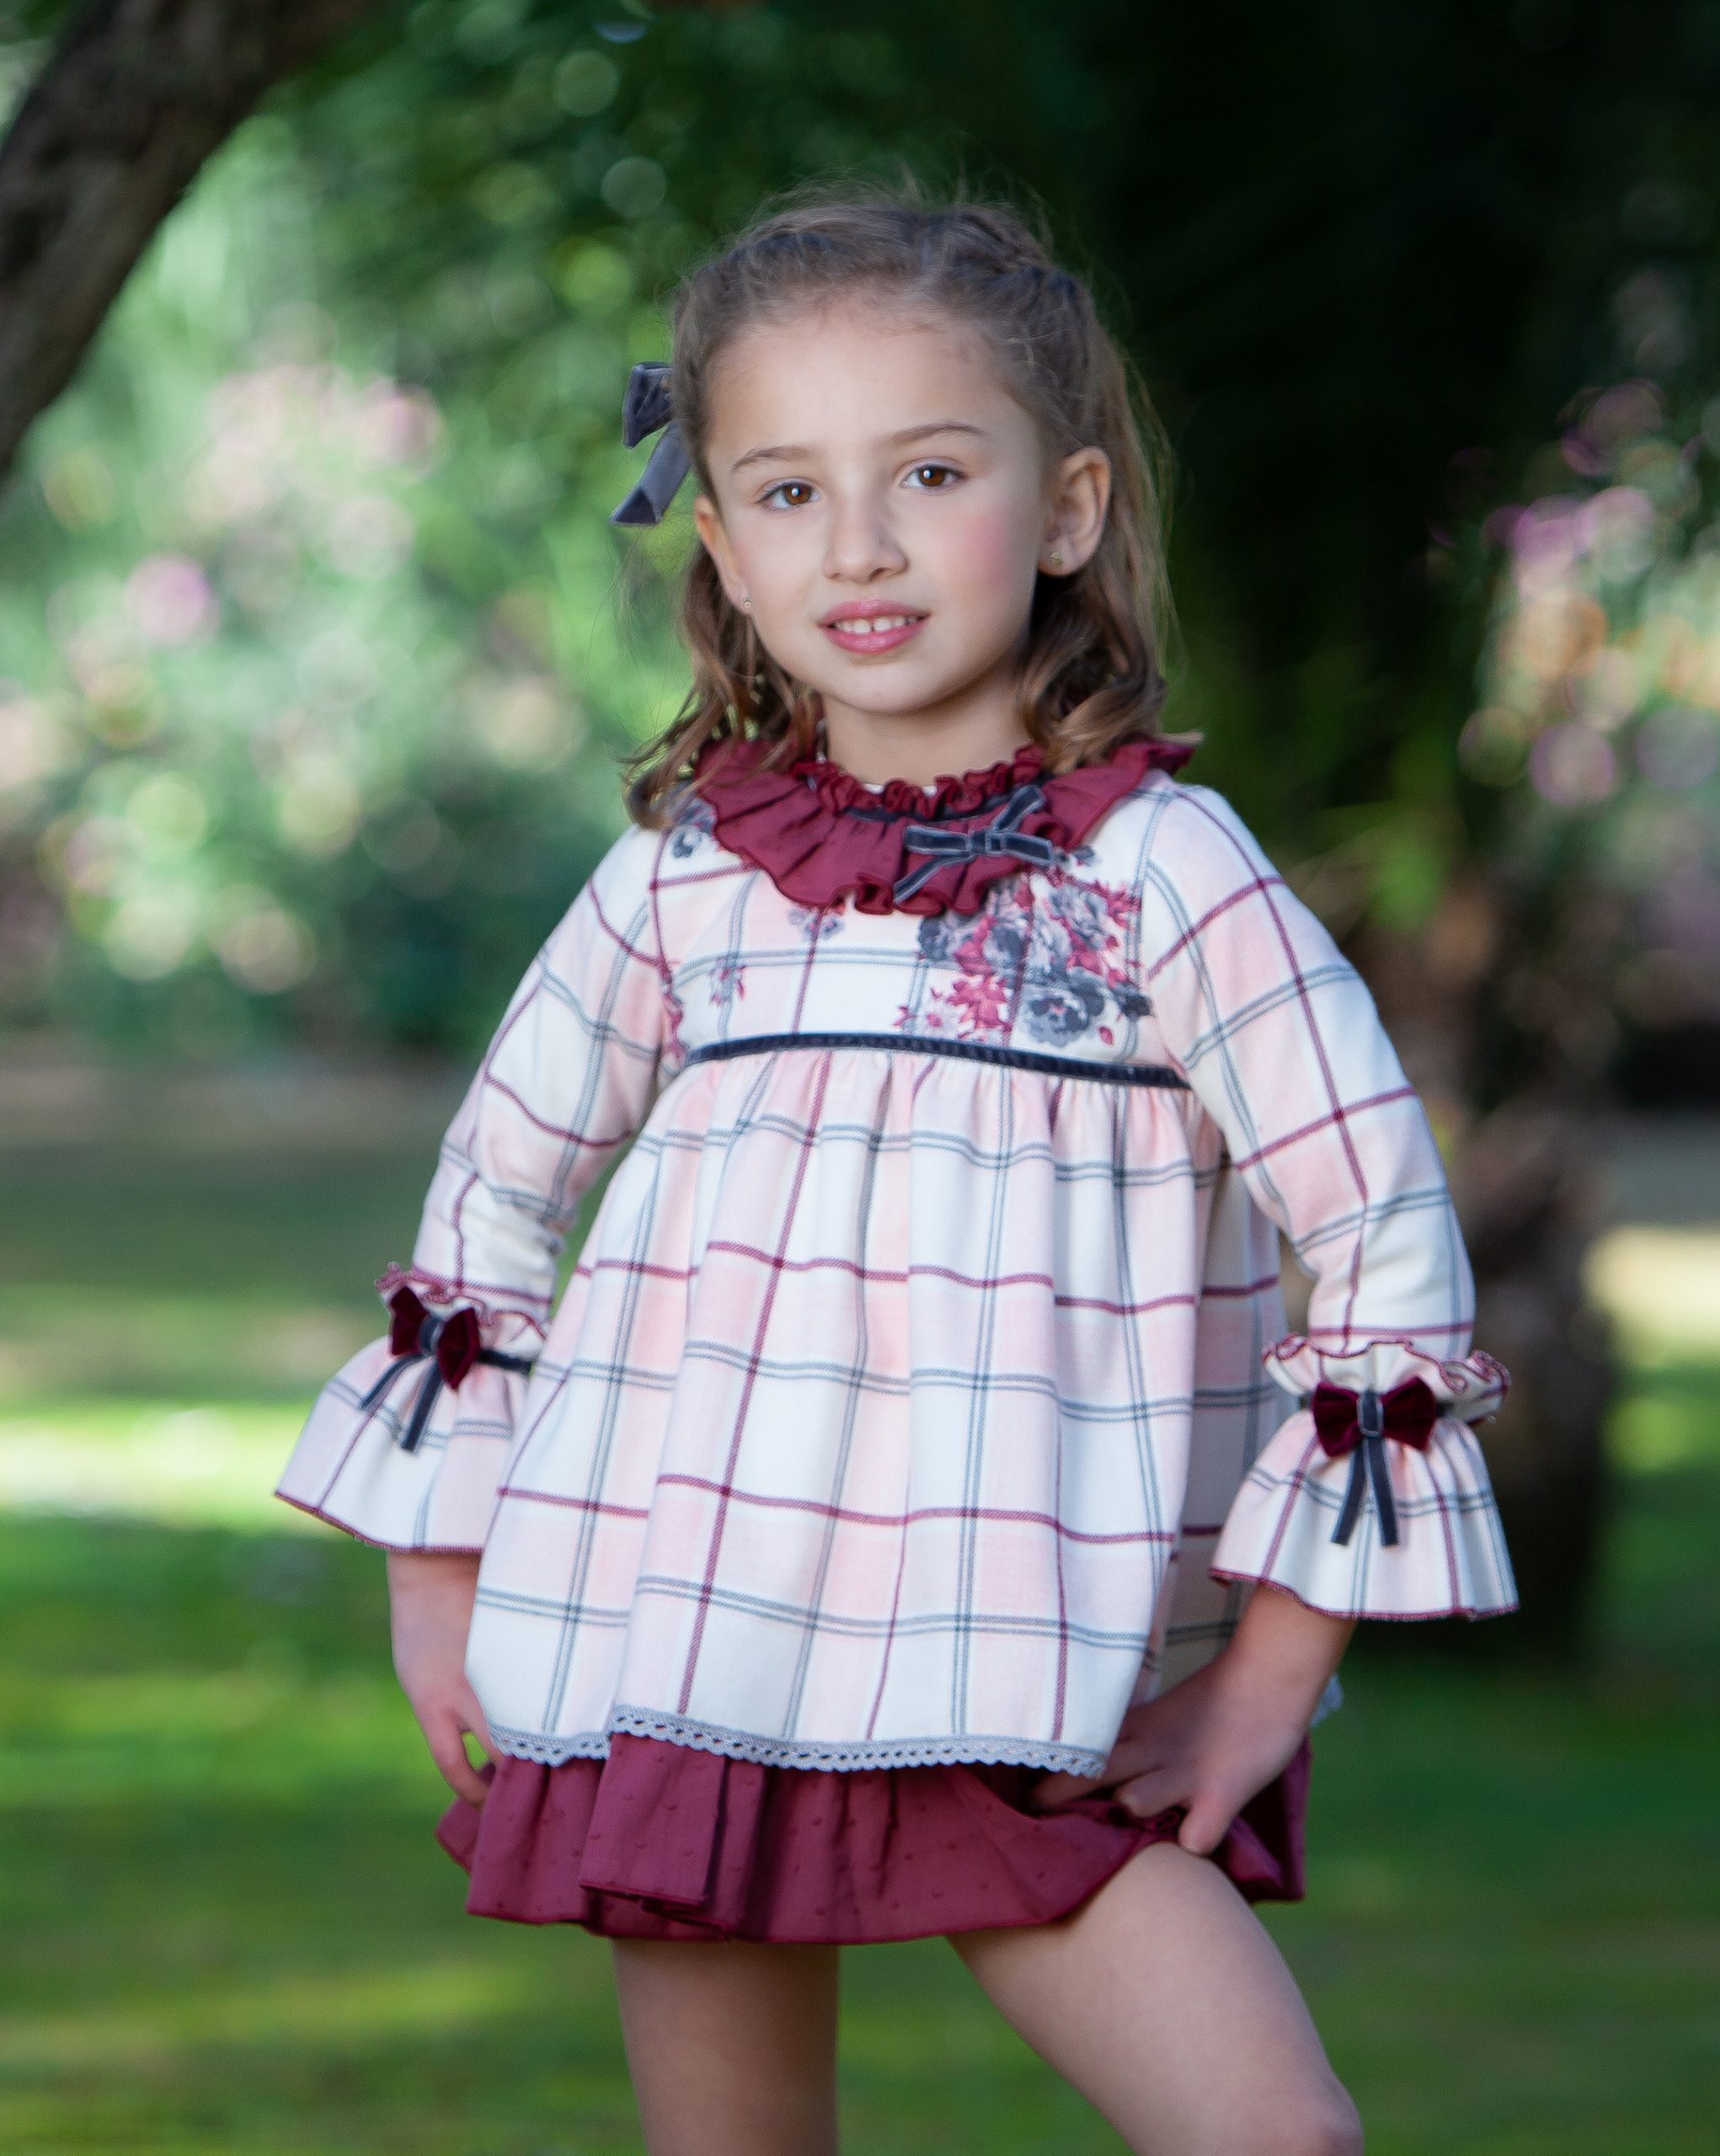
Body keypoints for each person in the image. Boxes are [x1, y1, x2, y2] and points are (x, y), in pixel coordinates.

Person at [277, 186, 1517, 2156]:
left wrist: (1269, 1674)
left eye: (930, 473)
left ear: (1069, 505)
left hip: (1031, 1674)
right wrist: (441, 1577)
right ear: (719, 541)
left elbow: (1379, 1230)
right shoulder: (682, 874)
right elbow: (489, 1201)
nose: (855, 543)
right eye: (787, 490)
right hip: (683, 1637)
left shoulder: (1163, 872)